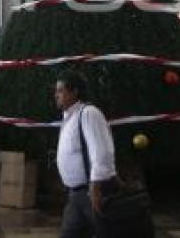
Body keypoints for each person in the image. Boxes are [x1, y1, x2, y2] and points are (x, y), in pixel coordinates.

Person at [55, 71, 124, 238]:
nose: (56, 95)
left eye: (60, 90)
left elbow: (102, 151)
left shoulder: (88, 113)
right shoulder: (70, 117)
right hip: (76, 195)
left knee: (107, 232)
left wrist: (95, 187)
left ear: (74, 92)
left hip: (92, 192)